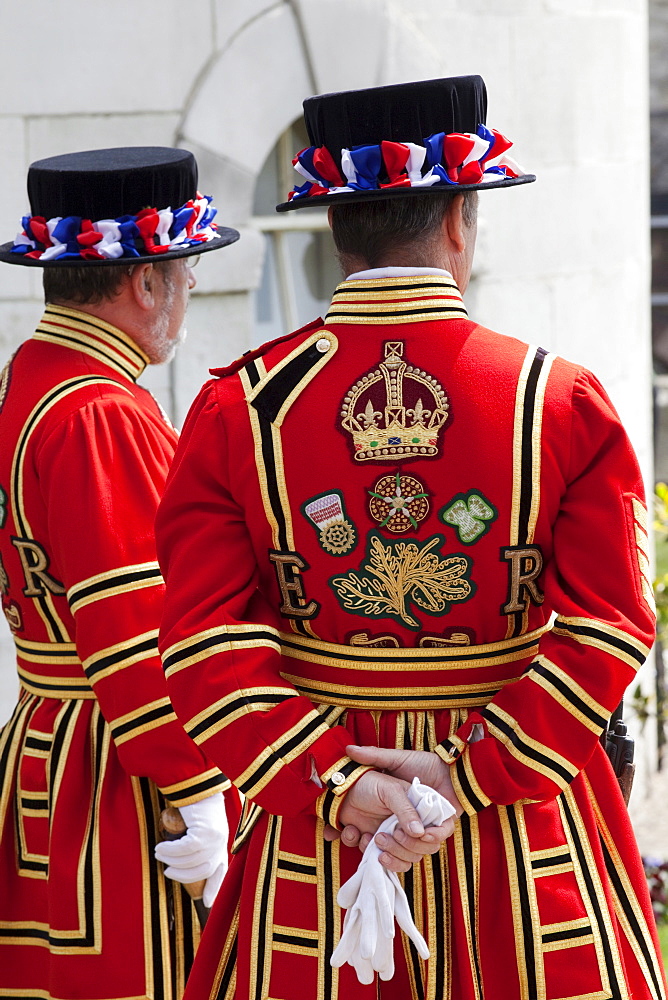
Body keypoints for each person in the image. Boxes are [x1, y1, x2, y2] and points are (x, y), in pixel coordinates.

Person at [156, 77, 667, 1000]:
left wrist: (338, 785)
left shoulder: (238, 409)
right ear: (462, 220)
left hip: (321, 830)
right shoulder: (557, 400)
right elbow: (609, 627)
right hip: (519, 827)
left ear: (334, 228)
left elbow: (202, 645)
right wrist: (470, 771)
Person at [0, 146, 241, 1000]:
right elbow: (142, 636)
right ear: (145, 283)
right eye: (185, 269)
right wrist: (202, 787)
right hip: (124, 775)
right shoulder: (103, 410)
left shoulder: (30, 376)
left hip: (52, 743)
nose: (191, 290)